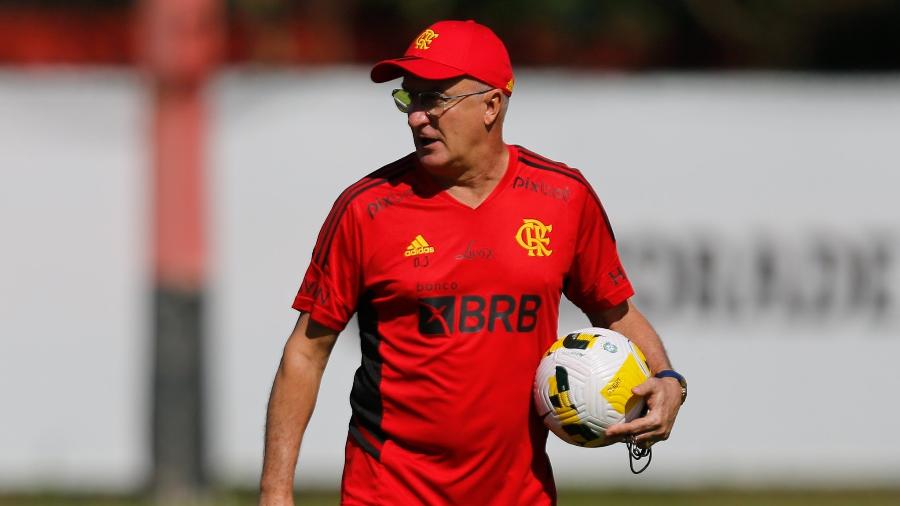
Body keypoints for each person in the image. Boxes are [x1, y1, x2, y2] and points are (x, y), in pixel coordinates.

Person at [259, 19, 686, 506]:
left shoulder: (564, 198)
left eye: (435, 98)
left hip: (519, 495)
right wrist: (275, 494)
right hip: (388, 492)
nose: (416, 117)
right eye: (409, 98)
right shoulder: (366, 209)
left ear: (492, 104)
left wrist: (668, 380)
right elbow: (306, 352)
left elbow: (616, 313)